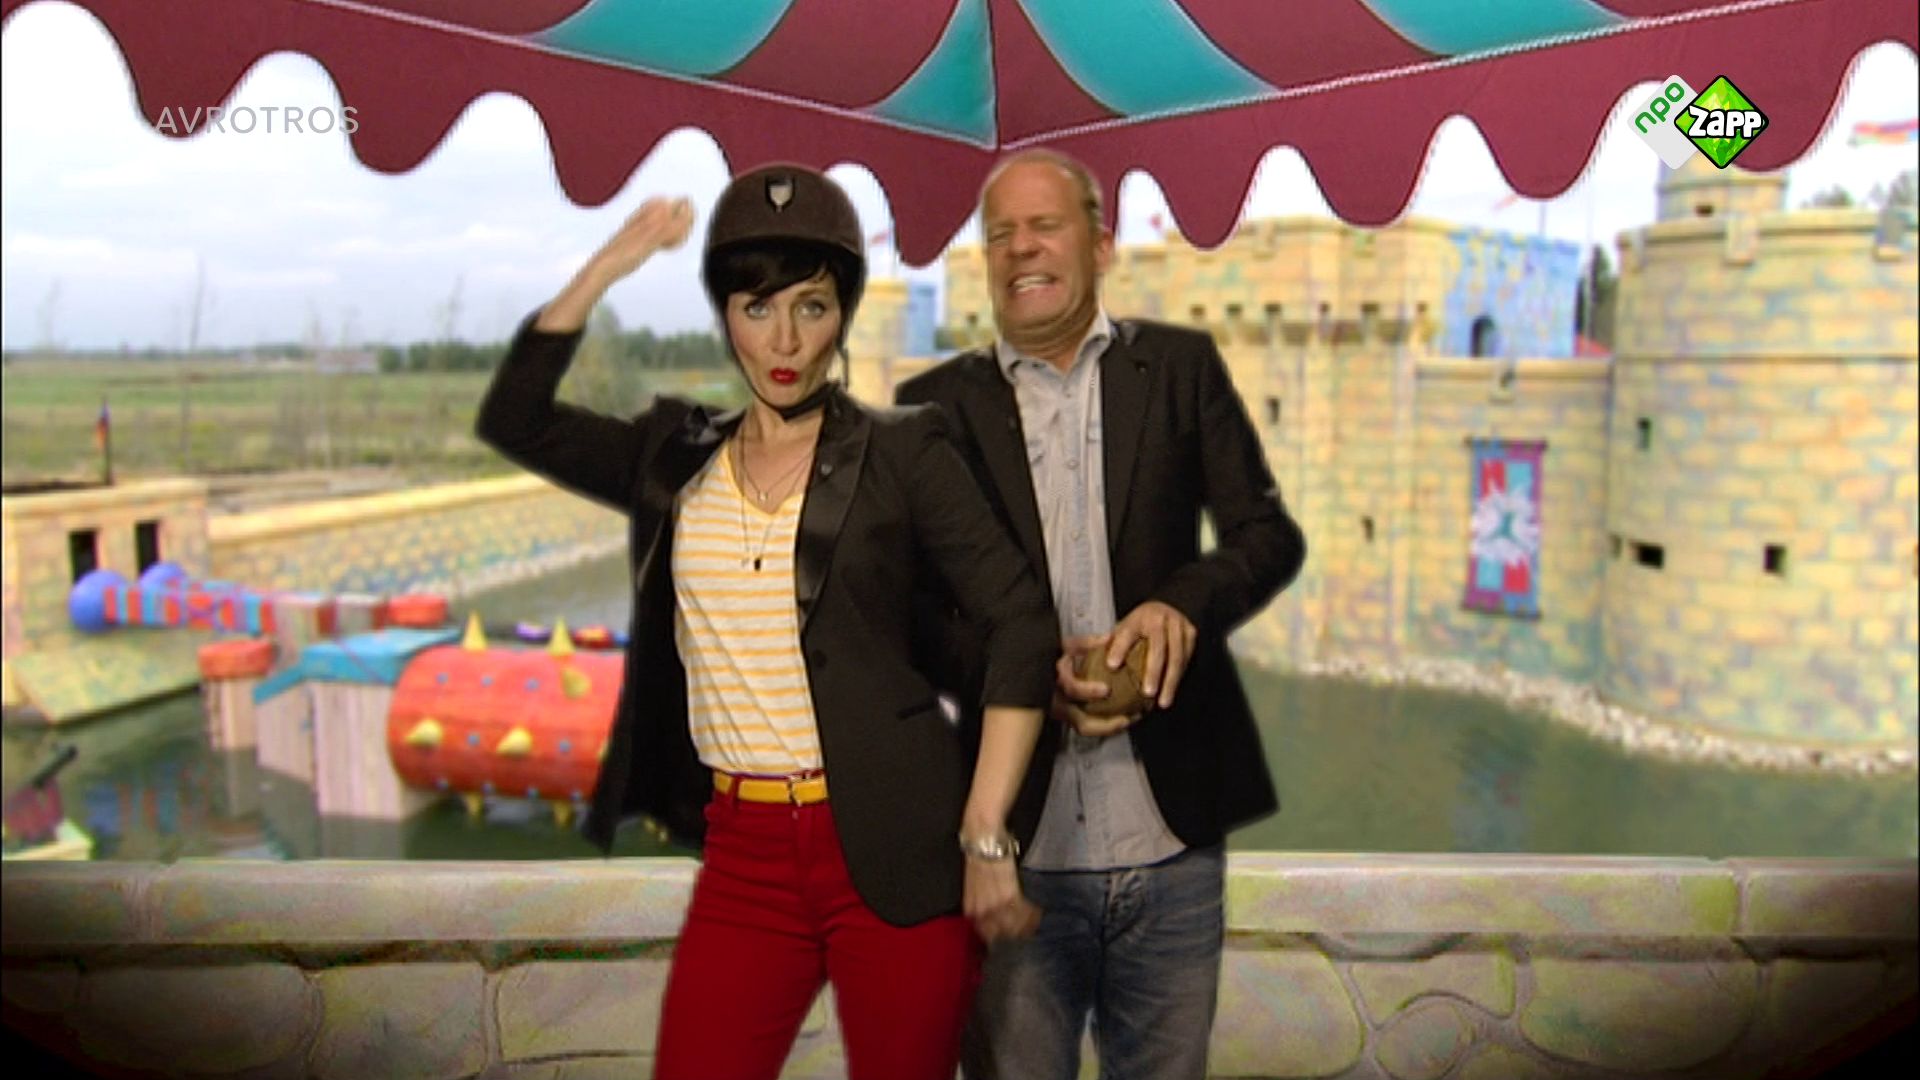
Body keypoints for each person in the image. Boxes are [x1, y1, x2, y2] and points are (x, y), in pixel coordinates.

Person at [476, 164, 1057, 1080]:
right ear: (726, 316)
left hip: (900, 848)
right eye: (756, 308)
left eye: (811, 307)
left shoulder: (904, 452)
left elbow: (1021, 619)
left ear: (842, 315)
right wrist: (614, 261)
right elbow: (517, 419)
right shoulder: (672, 456)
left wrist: (987, 830)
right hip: (743, 858)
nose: (784, 339)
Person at [895, 148, 1308, 1079]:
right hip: (1015, 855)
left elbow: (1266, 534)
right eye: (1000, 234)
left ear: (1102, 246)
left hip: (1175, 844)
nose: (1020, 248)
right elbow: (909, 615)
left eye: (1045, 226)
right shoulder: (930, 411)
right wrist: (1020, 680)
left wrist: (1182, 605)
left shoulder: (1180, 370)